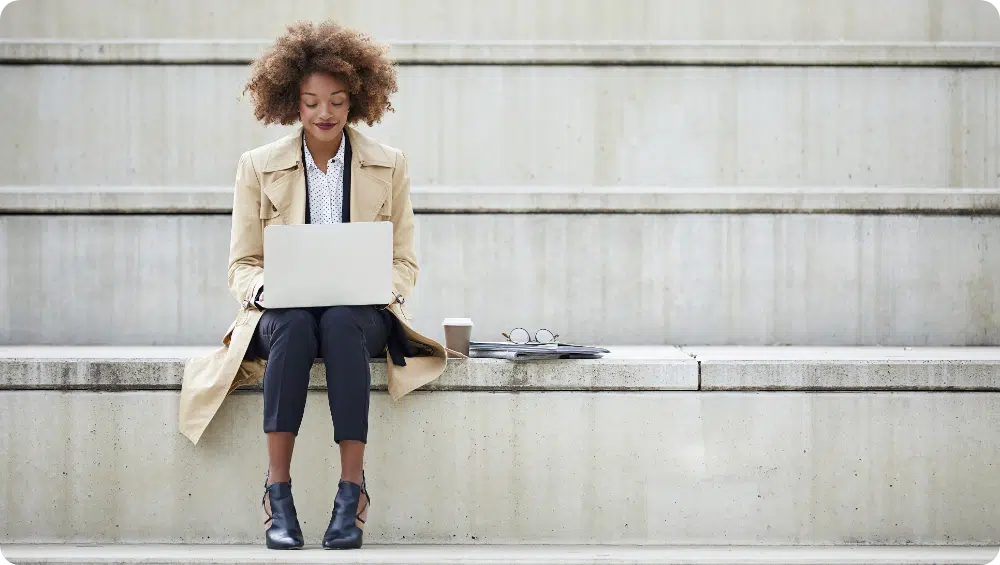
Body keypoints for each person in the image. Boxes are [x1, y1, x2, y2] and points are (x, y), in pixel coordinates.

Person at [177, 20, 453, 550]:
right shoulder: (257, 167)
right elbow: (242, 264)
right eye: (310, 102)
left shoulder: (389, 165)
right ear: (291, 103)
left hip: (360, 313)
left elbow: (404, 262)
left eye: (337, 100)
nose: (324, 113)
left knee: (344, 321)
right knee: (298, 323)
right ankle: (276, 492)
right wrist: (268, 289)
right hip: (283, 314)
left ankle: (352, 492)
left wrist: (380, 285)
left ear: (356, 100)